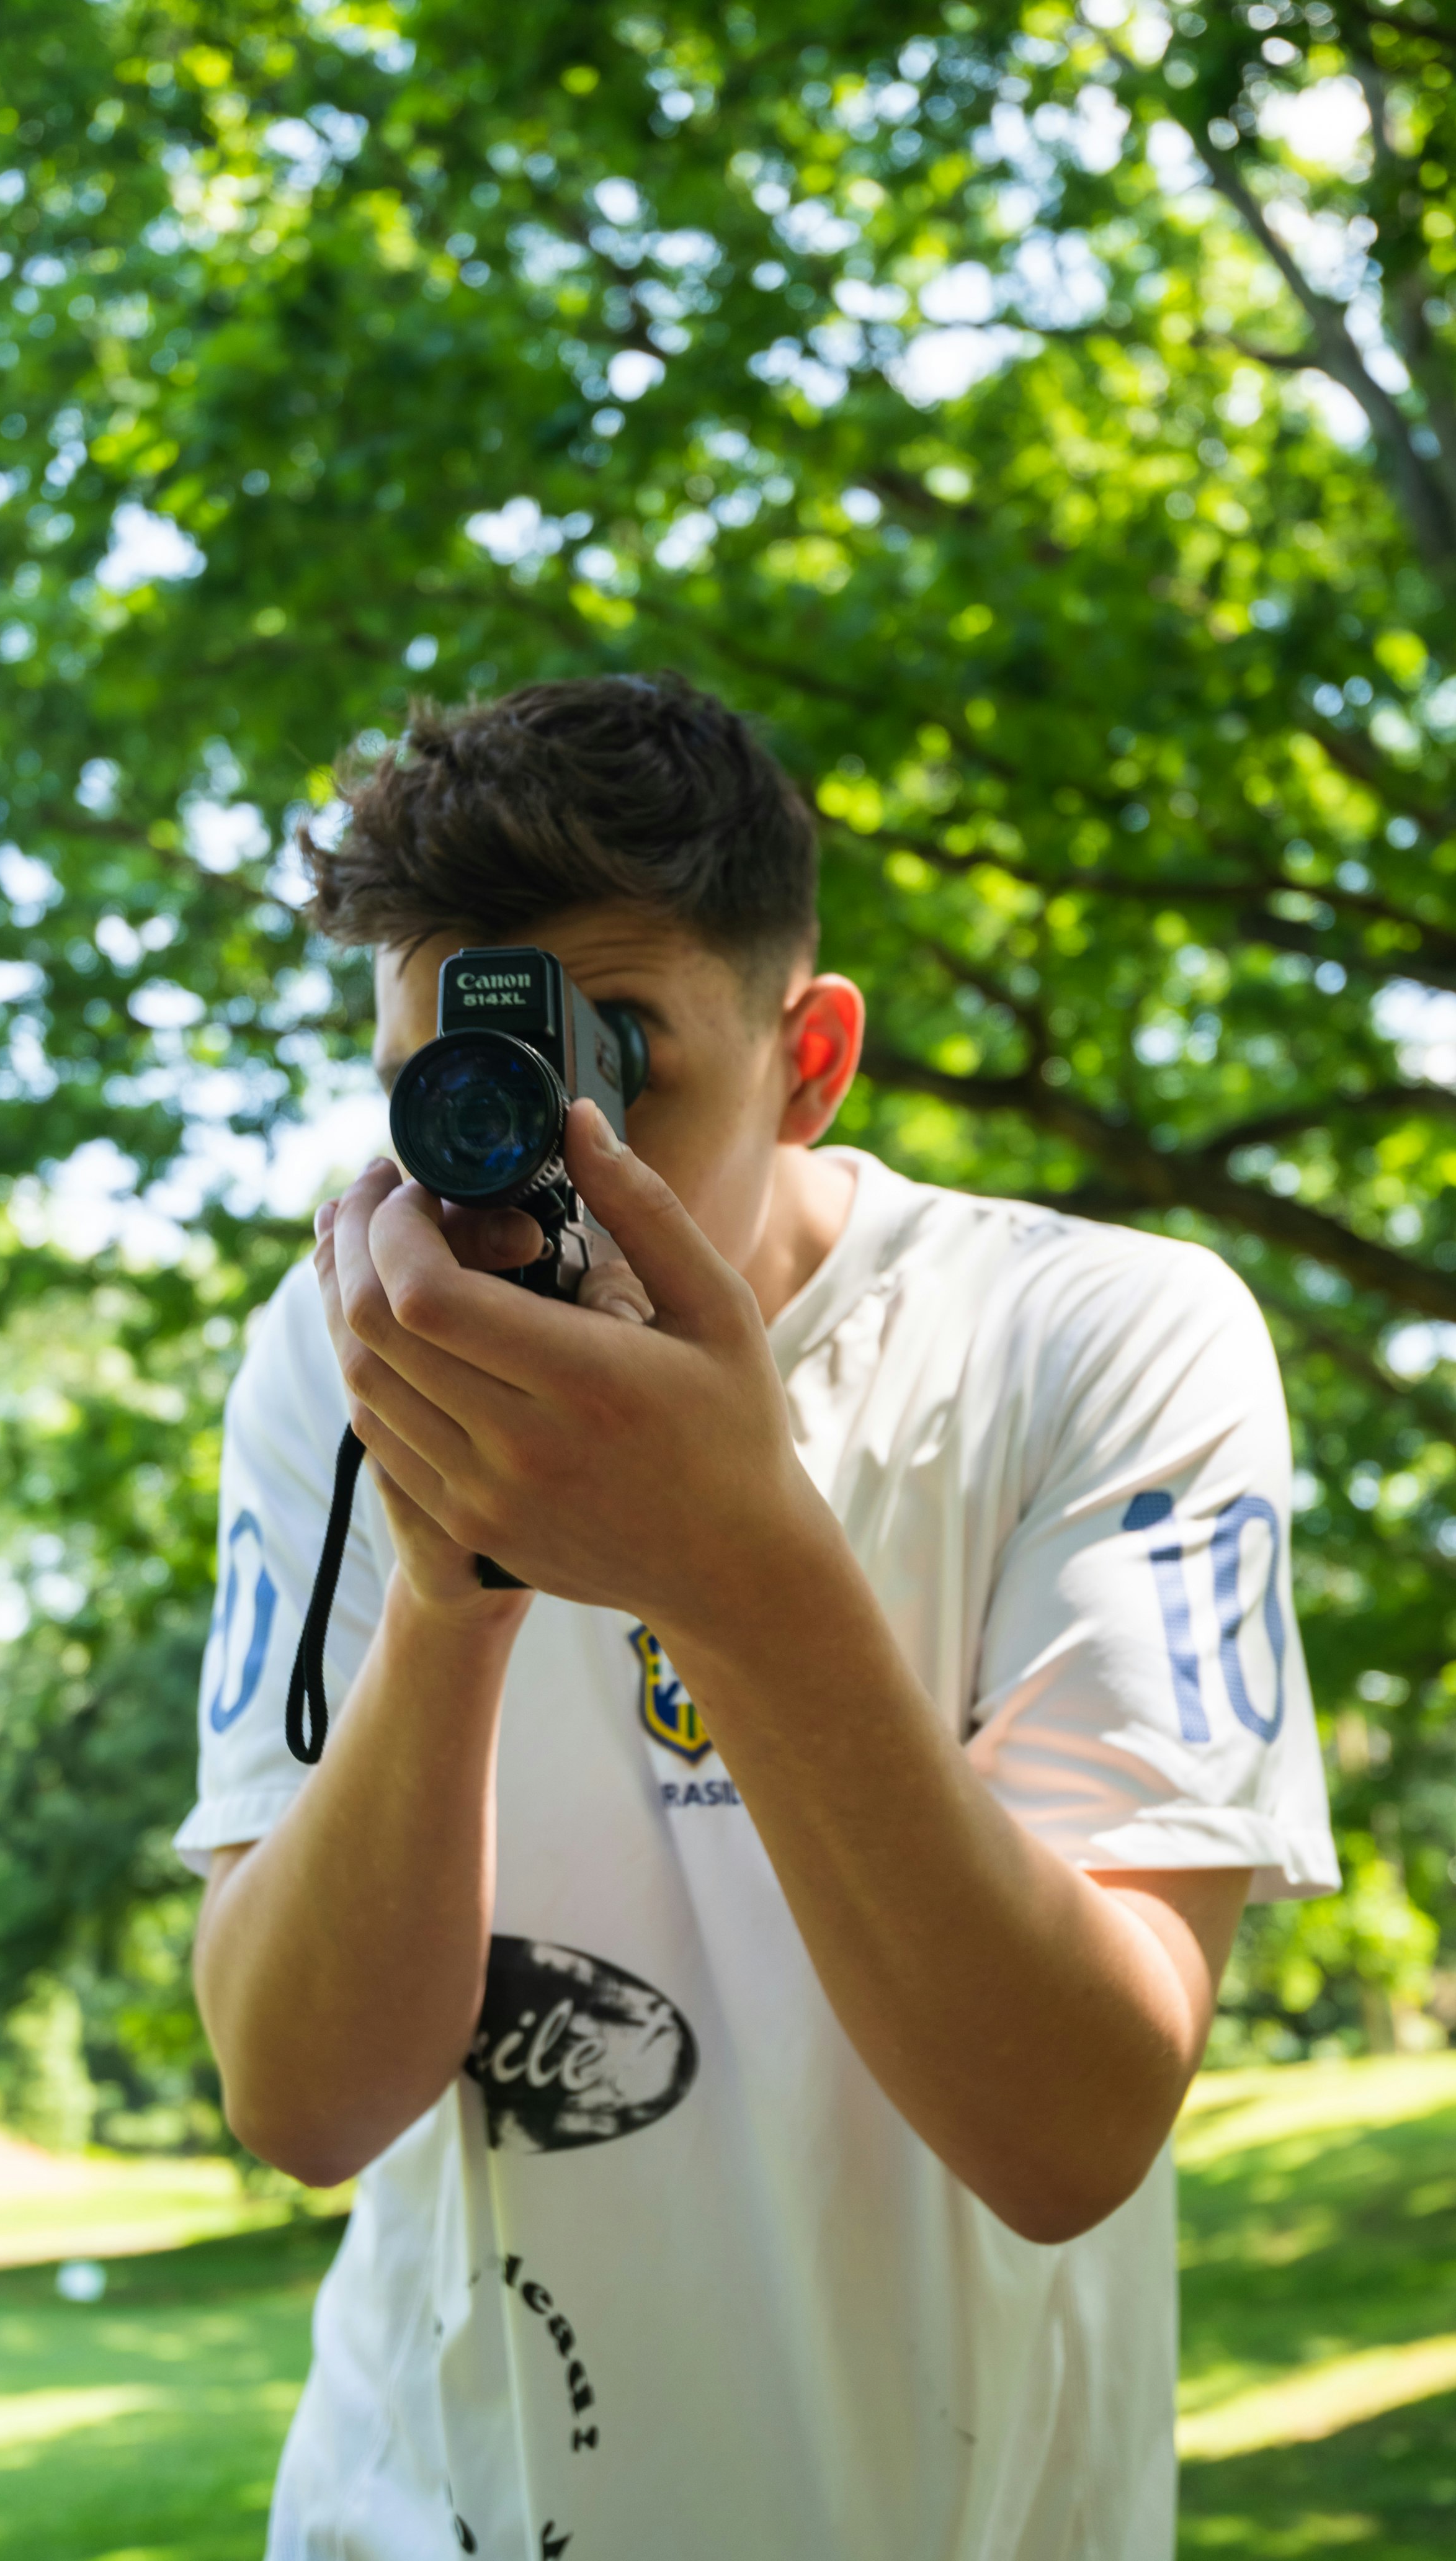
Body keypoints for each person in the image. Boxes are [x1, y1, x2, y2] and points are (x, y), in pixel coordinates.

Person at [181, 674, 1337, 2561]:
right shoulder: (337, 1358)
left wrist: (736, 1562)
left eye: (615, 1053)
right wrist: (451, 1601)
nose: (539, 1150)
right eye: (461, 1080)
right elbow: (302, 2099)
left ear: (813, 1062)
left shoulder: (1095, 1337)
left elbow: (1069, 2129)